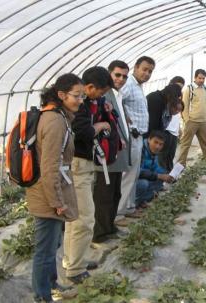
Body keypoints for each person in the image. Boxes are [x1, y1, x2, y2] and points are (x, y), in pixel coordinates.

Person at [26, 73, 83, 302]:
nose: (80, 100)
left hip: (51, 190)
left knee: (53, 244)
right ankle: (42, 296)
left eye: (82, 96)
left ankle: (51, 284)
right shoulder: (55, 121)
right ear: (61, 95)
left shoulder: (59, 116)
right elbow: (50, 167)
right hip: (47, 193)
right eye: (77, 96)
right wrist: (57, 202)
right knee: (45, 249)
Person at [63, 67, 112, 284]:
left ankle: (74, 260)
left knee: (75, 219)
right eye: (100, 92)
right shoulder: (79, 106)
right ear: (90, 87)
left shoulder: (88, 102)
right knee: (84, 219)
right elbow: (82, 131)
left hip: (83, 164)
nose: (100, 97)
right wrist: (100, 125)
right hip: (78, 165)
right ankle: (75, 269)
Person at [92, 60, 131, 240]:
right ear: (109, 74)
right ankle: (99, 232)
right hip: (105, 155)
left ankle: (109, 227)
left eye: (124, 76)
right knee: (103, 196)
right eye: (117, 75)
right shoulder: (103, 96)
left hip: (116, 153)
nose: (121, 79)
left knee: (115, 193)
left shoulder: (117, 95)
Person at [119, 56, 155, 219]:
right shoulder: (128, 84)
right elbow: (117, 102)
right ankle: (120, 211)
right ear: (136, 67)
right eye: (144, 69)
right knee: (127, 174)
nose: (147, 73)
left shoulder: (138, 86)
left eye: (150, 71)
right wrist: (124, 118)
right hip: (131, 135)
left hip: (138, 136)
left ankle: (129, 206)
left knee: (132, 174)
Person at [177, 69, 206, 166]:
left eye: (203, 78)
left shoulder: (205, 89)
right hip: (192, 121)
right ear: (195, 77)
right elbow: (184, 106)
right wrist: (187, 120)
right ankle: (181, 163)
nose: (202, 80)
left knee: (205, 143)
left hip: (203, 122)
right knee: (185, 144)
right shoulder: (189, 89)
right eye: (200, 78)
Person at [135, 131, 174, 208]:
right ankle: (133, 204)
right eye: (155, 142)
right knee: (143, 184)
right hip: (133, 180)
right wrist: (158, 176)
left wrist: (168, 174)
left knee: (160, 182)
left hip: (144, 177)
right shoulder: (140, 149)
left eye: (160, 144)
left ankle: (141, 200)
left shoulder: (153, 152)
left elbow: (156, 168)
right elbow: (137, 172)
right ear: (149, 139)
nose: (157, 147)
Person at [160, 76, 185, 171]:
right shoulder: (165, 96)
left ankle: (170, 175)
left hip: (174, 131)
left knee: (171, 155)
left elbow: (177, 114)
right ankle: (161, 178)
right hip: (166, 130)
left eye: (181, 87)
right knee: (163, 156)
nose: (179, 90)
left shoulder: (179, 96)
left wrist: (179, 128)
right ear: (170, 84)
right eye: (177, 86)